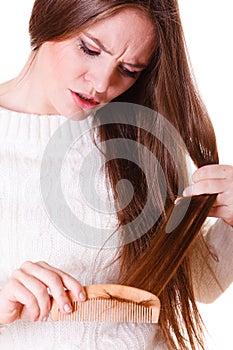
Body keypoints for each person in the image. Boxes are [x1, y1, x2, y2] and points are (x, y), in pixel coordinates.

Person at [0, 0, 232, 349]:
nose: (102, 83)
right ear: (50, 16)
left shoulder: (139, 141)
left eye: (128, 70)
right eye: (90, 49)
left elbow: (197, 283)